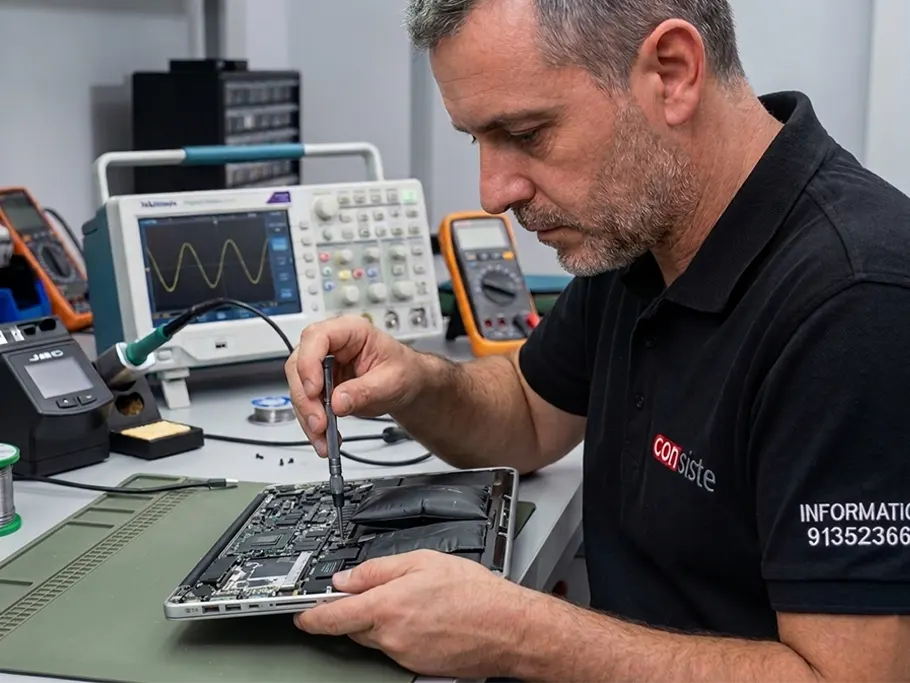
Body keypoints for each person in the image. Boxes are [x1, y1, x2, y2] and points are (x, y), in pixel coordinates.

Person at [284, 0, 910, 680]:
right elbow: (527, 416)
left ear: (672, 73)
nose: (493, 192)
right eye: (477, 139)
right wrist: (415, 382)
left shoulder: (856, 300)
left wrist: (519, 632)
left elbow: (850, 677)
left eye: (526, 133)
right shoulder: (640, 231)